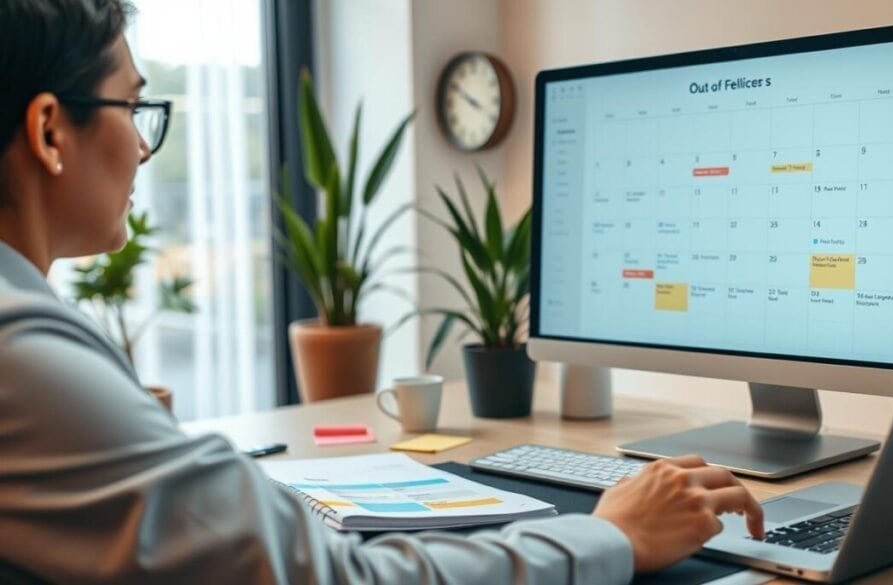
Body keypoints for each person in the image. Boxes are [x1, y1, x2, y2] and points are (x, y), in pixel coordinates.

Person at [0, 1, 764, 583]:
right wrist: (613, 536)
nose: (140, 144)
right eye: (133, 107)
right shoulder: (23, 350)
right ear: (48, 132)